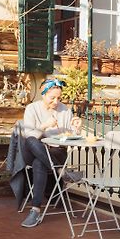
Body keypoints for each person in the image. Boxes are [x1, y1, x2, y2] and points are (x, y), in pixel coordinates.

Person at [20, 78, 82, 228]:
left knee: (39, 162)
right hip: (35, 149)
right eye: (52, 97)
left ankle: (35, 210)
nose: (56, 102)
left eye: (59, 98)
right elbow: (29, 135)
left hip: (56, 151)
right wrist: (44, 126)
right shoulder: (32, 109)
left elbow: (70, 136)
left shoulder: (65, 110)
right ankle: (61, 171)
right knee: (32, 141)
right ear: (43, 94)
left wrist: (77, 128)